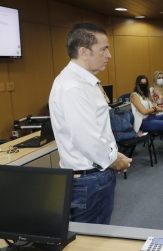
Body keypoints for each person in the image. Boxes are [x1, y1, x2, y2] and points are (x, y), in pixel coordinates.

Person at [49, 23, 131, 225]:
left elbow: (97, 130)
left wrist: (113, 155)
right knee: (90, 244)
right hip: (89, 179)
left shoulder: (84, 82)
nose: (109, 55)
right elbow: (86, 139)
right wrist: (115, 160)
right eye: (104, 49)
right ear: (84, 52)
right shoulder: (73, 87)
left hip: (95, 173)